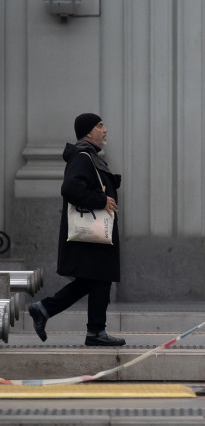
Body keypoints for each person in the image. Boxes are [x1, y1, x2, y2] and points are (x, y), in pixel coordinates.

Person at [28, 113, 126, 346]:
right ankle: (91, 330)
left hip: (95, 233)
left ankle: (88, 328)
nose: (105, 129)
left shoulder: (90, 156)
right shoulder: (83, 156)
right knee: (98, 278)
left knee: (97, 279)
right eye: (100, 125)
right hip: (91, 233)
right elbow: (70, 188)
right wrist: (100, 200)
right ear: (88, 132)